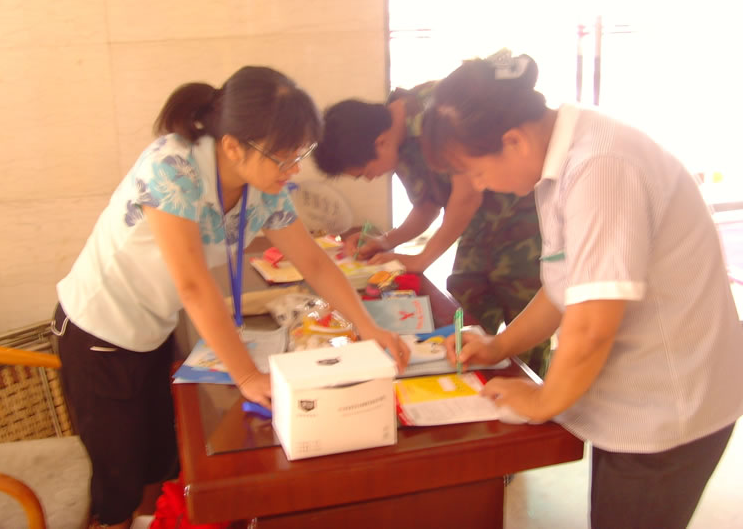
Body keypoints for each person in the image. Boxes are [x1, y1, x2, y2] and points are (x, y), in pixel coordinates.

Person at [52, 66, 409, 529]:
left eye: (300, 154)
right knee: (118, 486)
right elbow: (193, 285)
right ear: (234, 146)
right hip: (98, 333)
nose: (294, 170)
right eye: (284, 157)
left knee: (159, 466)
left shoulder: (264, 186)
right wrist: (245, 375)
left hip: (152, 329)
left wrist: (368, 327)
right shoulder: (172, 167)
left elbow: (314, 263)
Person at [423, 51, 743, 528]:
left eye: (475, 170)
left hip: (669, 404)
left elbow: (592, 323)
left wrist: (543, 400)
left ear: (513, 141)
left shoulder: (601, 166)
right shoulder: (564, 159)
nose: (478, 185)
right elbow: (566, 286)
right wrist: (500, 346)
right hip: (638, 391)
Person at [314, 78, 549, 376]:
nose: (370, 179)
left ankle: (535, 391)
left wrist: (422, 259)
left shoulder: (438, 113)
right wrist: (386, 241)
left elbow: (467, 197)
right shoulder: (396, 144)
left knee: (526, 322)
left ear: (380, 143)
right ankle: (475, 384)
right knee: (464, 312)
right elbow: (427, 205)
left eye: (366, 172)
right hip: (478, 229)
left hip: (522, 222)